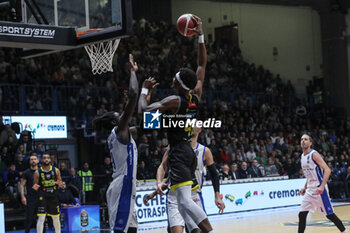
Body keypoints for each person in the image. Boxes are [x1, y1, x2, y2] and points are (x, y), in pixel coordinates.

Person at [138, 15, 214, 233]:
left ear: (179, 84)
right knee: (182, 202)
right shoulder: (195, 95)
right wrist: (200, 36)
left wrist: (144, 90)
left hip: (179, 153)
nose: (172, 79)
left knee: (185, 202)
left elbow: (144, 111)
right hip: (186, 151)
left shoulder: (174, 101)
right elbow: (201, 64)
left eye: (174, 78)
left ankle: (210, 230)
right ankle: (198, 230)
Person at [92, 54, 139, 233]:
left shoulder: (122, 133)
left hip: (122, 184)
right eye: (118, 116)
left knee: (131, 228)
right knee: (120, 230)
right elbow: (133, 95)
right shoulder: (120, 131)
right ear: (115, 123)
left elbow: (146, 126)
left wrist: (145, 98)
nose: (121, 115)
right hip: (124, 183)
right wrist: (133, 72)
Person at [156, 127, 225, 233]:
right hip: (174, 195)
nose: (192, 125)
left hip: (194, 194)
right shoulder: (174, 148)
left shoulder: (204, 151)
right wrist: (159, 183)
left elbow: (214, 175)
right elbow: (162, 167)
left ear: (200, 129)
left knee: (196, 230)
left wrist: (217, 196)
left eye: (195, 122)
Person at [298, 134, 348, 233]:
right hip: (310, 190)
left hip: (319, 189)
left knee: (330, 215)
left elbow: (327, 170)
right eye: (302, 139)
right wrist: (305, 187)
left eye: (306, 139)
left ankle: (344, 232)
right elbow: (309, 175)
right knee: (302, 214)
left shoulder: (314, 154)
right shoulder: (302, 156)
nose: (303, 141)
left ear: (310, 143)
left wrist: (321, 186)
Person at [33, 152, 63, 233]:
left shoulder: (56, 170)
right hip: (43, 195)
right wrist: (35, 187)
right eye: (44, 158)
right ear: (41, 160)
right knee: (41, 218)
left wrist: (60, 184)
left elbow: (61, 184)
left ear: (50, 159)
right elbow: (35, 186)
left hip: (53, 196)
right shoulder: (37, 172)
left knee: (56, 218)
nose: (46, 159)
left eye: (47, 158)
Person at [20, 154, 39, 233]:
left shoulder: (41, 171)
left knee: (42, 218)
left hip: (41, 197)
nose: (33, 160)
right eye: (31, 159)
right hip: (30, 198)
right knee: (29, 218)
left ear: (38, 161)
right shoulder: (27, 172)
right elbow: (22, 185)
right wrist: (23, 197)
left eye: (35, 159)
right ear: (29, 162)